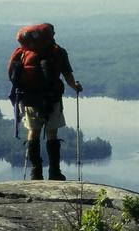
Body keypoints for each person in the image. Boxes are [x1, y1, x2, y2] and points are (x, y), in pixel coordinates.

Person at [7, 23, 83, 180]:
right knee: (52, 134)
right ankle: (54, 172)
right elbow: (67, 74)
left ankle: (36, 172)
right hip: (52, 99)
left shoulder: (24, 53)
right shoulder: (58, 52)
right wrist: (75, 86)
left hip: (29, 100)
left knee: (32, 133)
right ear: (51, 35)